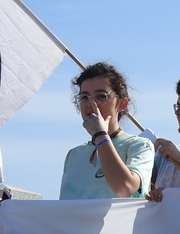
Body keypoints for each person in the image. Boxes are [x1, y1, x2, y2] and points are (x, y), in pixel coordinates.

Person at [60, 62, 154, 200]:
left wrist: (100, 135)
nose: (91, 103)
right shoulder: (74, 155)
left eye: (101, 96)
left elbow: (125, 188)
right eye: (84, 97)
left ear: (122, 104)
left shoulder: (138, 146)